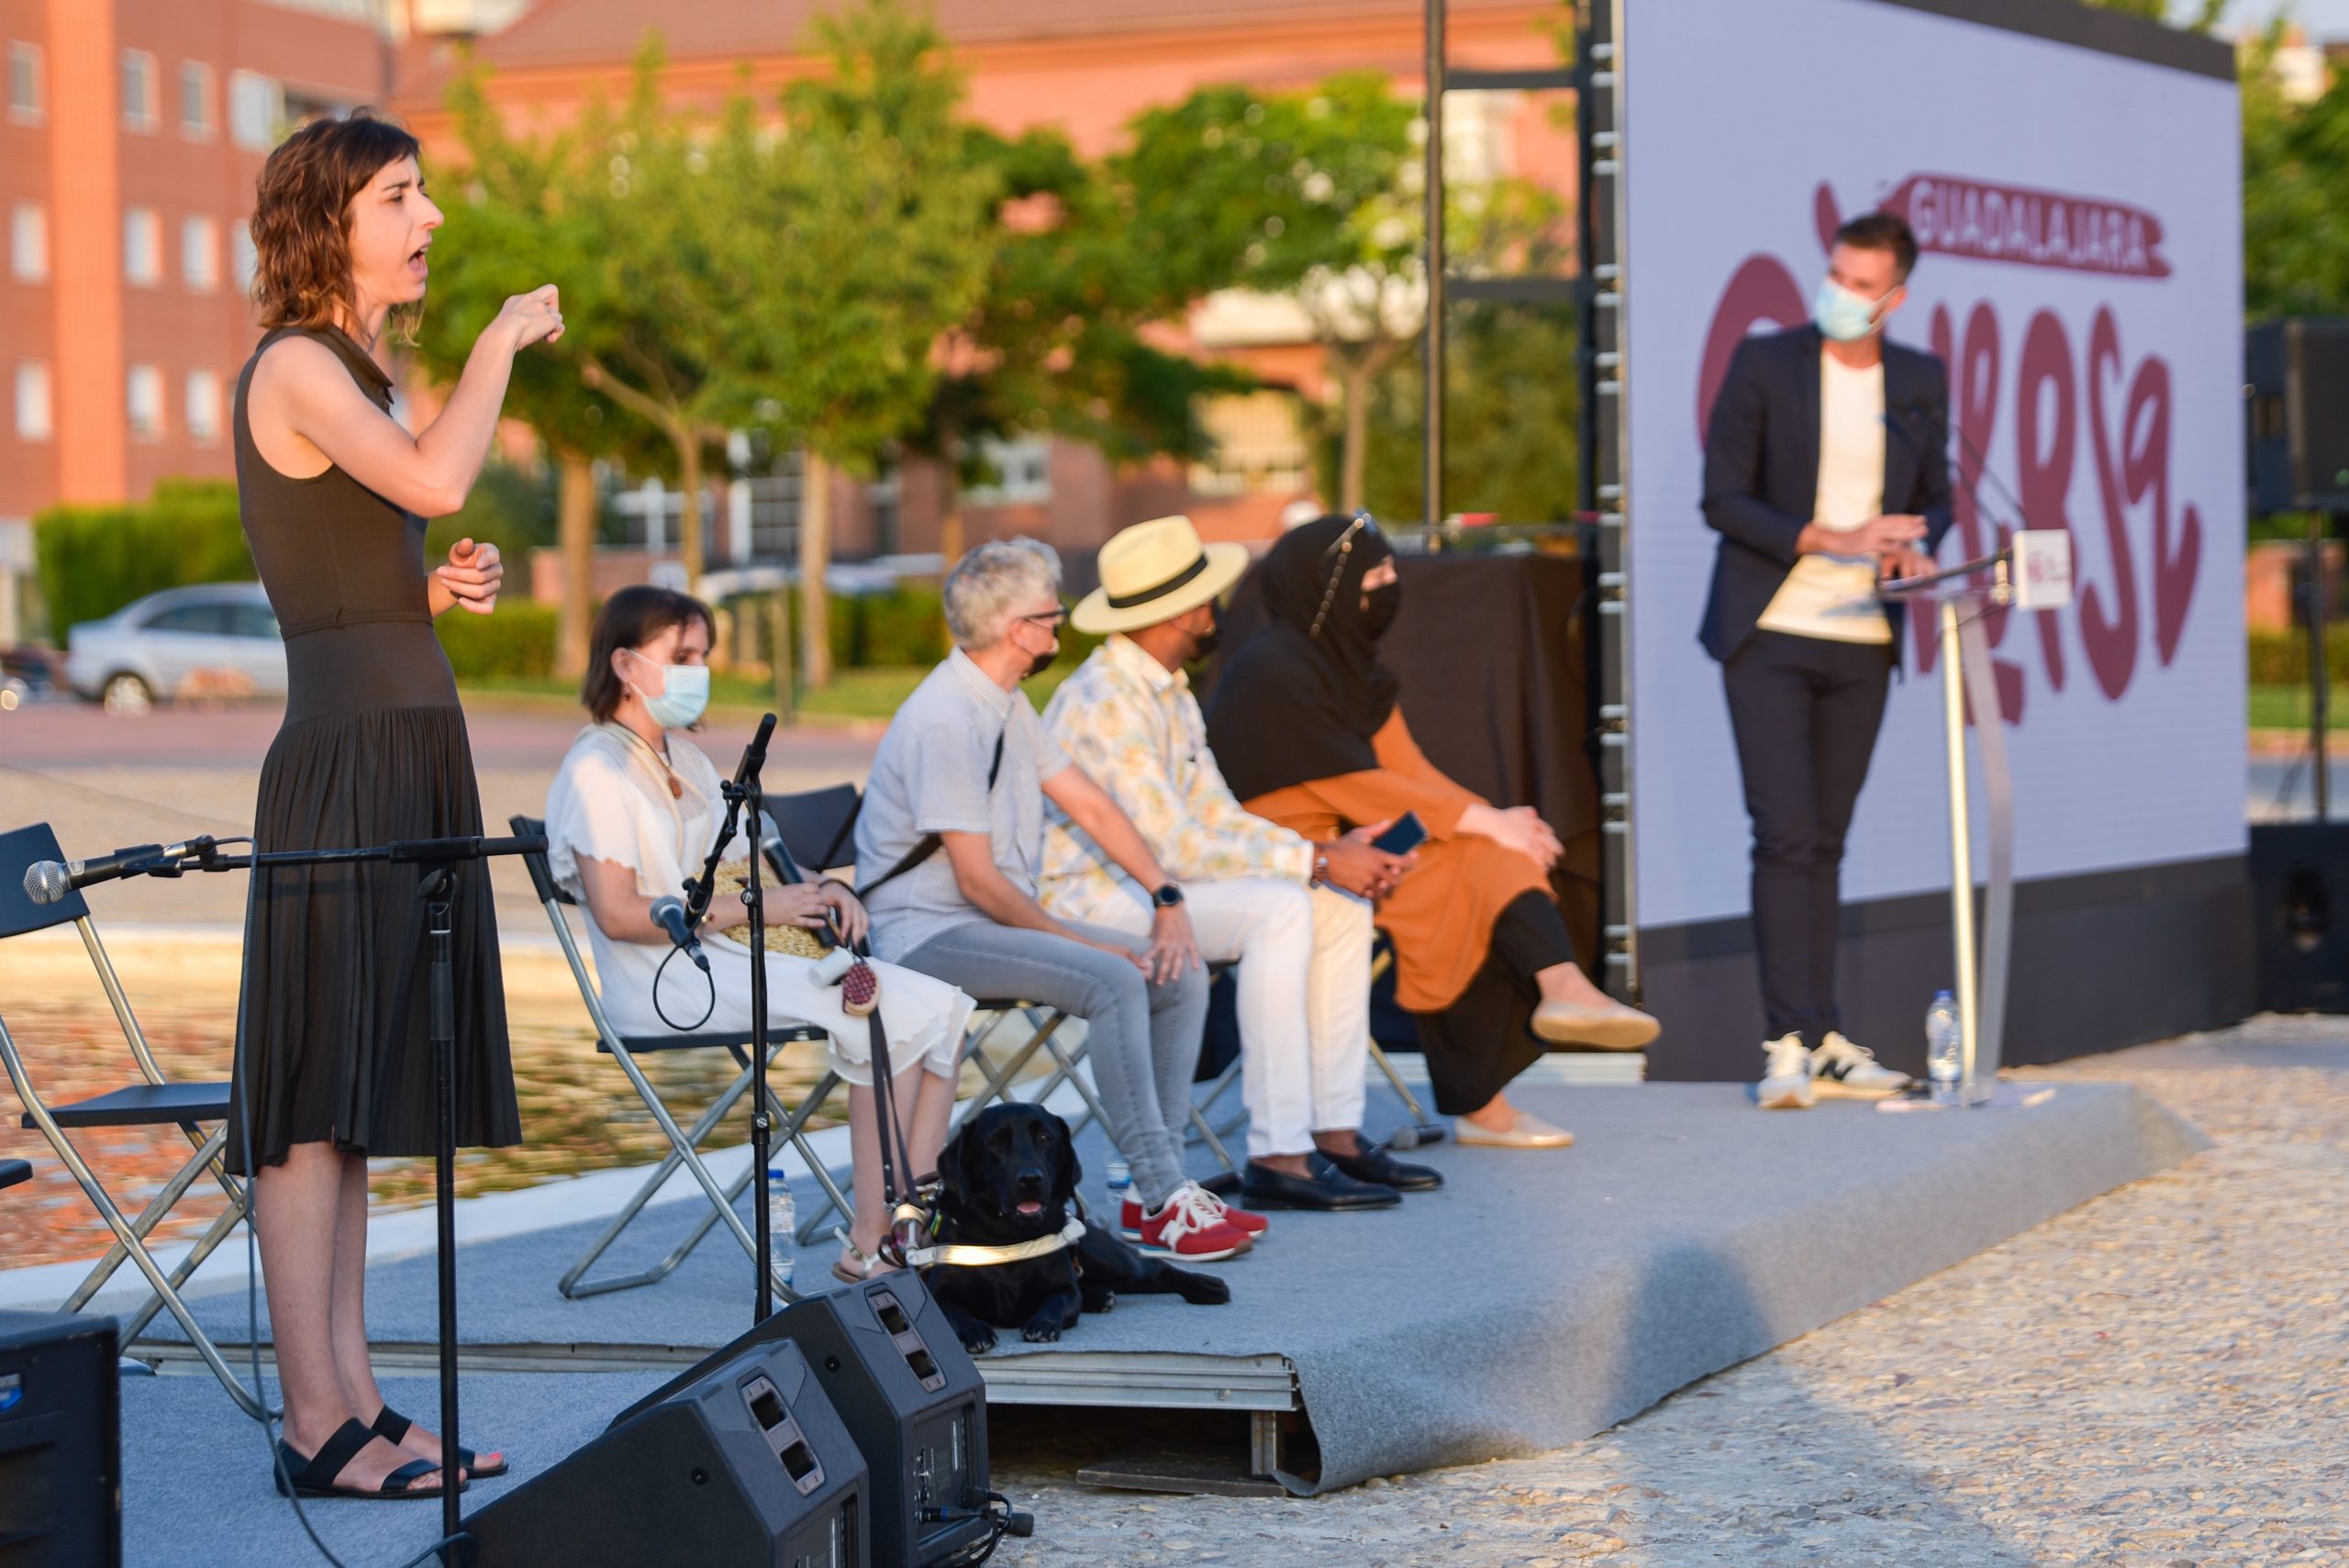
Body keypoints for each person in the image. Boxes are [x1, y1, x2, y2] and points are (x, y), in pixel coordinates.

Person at [227, 111, 558, 1498]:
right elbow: (433, 474)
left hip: (401, 740)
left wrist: (426, 590)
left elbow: (346, 566)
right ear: (331, 221)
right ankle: (317, 1425)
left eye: (424, 194)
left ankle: (356, 1400)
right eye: (400, 197)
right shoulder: (299, 364)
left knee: (358, 1097)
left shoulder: (344, 372)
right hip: (348, 760)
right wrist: (493, 349)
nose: (428, 218)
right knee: (313, 1102)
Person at [542, 586, 975, 1283]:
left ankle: (909, 1218)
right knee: (878, 1013)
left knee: (945, 1012)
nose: (698, 670)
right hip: (664, 978)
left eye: (703, 656)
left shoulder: (679, 757)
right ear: (624, 664)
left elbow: (754, 855)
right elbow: (622, 913)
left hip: (724, 954)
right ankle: (870, 1239)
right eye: (681, 656)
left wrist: (822, 886)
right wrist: (758, 910)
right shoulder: (597, 769)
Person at [857, 539, 1258, 1262]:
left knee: (1179, 964)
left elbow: (1092, 805)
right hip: (925, 936)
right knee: (1111, 976)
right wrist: (1085, 944)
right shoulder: (947, 718)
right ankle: (1165, 1194)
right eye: (1052, 614)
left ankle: (1149, 1196)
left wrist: (1165, 897)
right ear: (1019, 630)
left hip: (983, 923)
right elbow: (977, 881)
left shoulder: (1005, 704)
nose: (1060, 626)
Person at [1206, 515, 1660, 1150]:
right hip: (1299, 859)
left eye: (1394, 572)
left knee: (1487, 860)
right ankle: (1496, 1090)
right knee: (1459, 874)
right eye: (1378, 576)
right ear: (1328, 588)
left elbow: (1410, 772)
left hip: (1364, 838)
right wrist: (1489, 822)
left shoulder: (1353, 670)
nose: (1391, 587)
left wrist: (1504, 826)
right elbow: (1357, 786)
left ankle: (1558, 997)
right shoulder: (1271, 672)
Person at [1038, 516, 1440, 1214]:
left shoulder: (1166, 687)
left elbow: (1216, 814)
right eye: (1207, 598)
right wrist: (1317, 856)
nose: (1216, 610)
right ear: (1181, 612)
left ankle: (1331, 1132)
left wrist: (1333, 860)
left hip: (1152, 888)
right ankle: (1279, 1153)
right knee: (1283, 909)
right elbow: (1174, 845)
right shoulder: (1106, 701)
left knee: (1339, 906)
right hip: (1089, 899)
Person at [1699, 210, 1952, 1110]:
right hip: (1769, 629)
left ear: (1894, 296)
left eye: (1860, 284)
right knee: (1783, 835)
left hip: (1863, 637)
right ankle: (1784, 1040)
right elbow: (1721, 498)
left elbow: (1937, 496)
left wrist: (1911, 548)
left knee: (1828, 840)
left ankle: (1827, 1035)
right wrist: (1831, 537)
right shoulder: (1767, 362)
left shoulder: (1917, 378)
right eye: (1834, 275)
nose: (1840, 294)